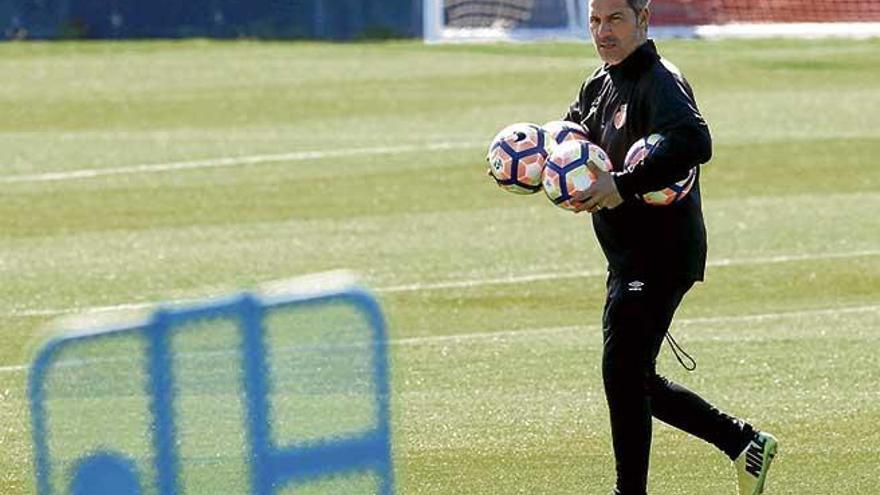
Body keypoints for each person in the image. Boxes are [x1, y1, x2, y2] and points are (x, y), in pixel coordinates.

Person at [563, 1, 778, 494]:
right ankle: (744, 443)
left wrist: (622, 183)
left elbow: (693, 141)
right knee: (634, 377)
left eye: (615, 19)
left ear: (643, 19)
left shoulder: (661, 81)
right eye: (595, 21)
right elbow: (571, 134)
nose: (603, 31)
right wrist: (542, 161)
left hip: (662, 252)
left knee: (622, 372)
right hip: (626, 254)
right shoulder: (599, 84)